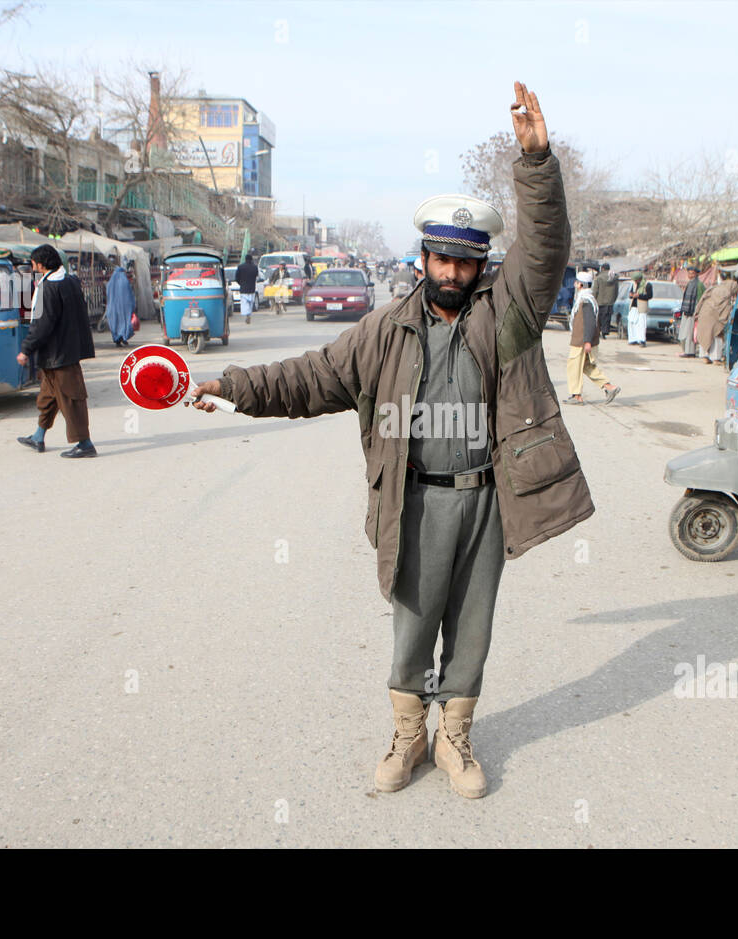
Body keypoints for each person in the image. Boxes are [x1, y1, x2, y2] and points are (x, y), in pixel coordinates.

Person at [189, 82, 593, 800]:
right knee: (412, 627)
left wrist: (535, 164)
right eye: (442, 260)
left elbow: (543, 251)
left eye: (467, 262)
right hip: (413, 503)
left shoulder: (506, 316)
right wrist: (230, 384)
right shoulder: (383, 331)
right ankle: (409, 737)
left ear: (479, 266)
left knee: (472, 626)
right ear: (422, 260)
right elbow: (307, 377)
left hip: (485, 501)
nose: (453, 273)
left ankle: (455, 736)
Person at [15, 244, 97, 458]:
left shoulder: (49, 287)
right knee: (48, 398)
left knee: (71, 399)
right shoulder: (69, 281)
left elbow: (42, 324)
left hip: (59, 355)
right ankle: (38, 436)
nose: (32, 267)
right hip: (61, 353)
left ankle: (85, 444)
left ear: (41, 264)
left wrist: (26, 349)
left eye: (33, 263)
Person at [564, 269, 620, 405]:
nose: (575, 284)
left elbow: (589, 323)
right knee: (586, 366)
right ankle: (609, 387)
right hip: (583, 340)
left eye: (577, 282)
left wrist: (587, 341)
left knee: (574, 366)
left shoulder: (586, 301)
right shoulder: (586, 299)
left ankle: (576, 396)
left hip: (581, 341)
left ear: (581, 285)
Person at [695, 273, 738, 365]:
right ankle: (715, 358)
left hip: (704, 313)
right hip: (715, 317)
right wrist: (725, 320)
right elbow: (725, 309)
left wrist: (697, 312)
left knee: (705, 334)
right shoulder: (726, 293)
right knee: (717, 335)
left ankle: (704, 356)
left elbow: (702, 299)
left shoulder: (713, 288)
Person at [105, 257, 135, 348]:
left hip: (113, 308)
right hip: (125, 308)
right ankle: (124, 337)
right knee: (124, 322)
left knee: (115, 323)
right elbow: (130, 295)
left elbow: (108, 295)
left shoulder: (110, 283)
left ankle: (117, 339)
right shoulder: (125, 282)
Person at [677, 264, 704, 358]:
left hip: (693, 312)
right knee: (684, 332)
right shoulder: (690, 283)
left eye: (692, 273)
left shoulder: (699, 285)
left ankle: (690, 352)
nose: (690, 275)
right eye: (689, 273)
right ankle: (686, 351)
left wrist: (698, 313)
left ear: (696, 274)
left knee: (690, 333)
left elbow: (701, 300)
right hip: (686, 311)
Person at [594, 262, 618, 338]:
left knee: (599, 317)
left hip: (599, 301)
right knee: (607, 317)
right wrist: (613, 299)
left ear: (602, 268)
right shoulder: (614, 278)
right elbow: (616, 290)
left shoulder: (599, 277)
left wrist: (593, 299)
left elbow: (595, 290)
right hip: (610, 301)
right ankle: (605, 332)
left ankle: (599, 331)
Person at [626, 271, 649, 346]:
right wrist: (631, 295)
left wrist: (639, 296)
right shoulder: (634, 285)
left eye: (636, 280)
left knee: (641, 324)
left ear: (639, 279)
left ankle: (642, 340)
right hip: (633, 307)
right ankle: (633, 339)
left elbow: (649, 296)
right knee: (631, 322)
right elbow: (631, 294)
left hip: (642, 307)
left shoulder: (647, 285)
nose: (635, 281)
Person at [236, 254, 259, 324]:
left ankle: (247, 314)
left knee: (244, 303)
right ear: (251, 259)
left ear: (245, 259)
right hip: (252, 288)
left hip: (243, 289)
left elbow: (237, 278)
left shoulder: (240, 267)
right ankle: (249, 314)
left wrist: (241, 283)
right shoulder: (255, 267)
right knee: (250, 303)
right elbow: (256, 276)